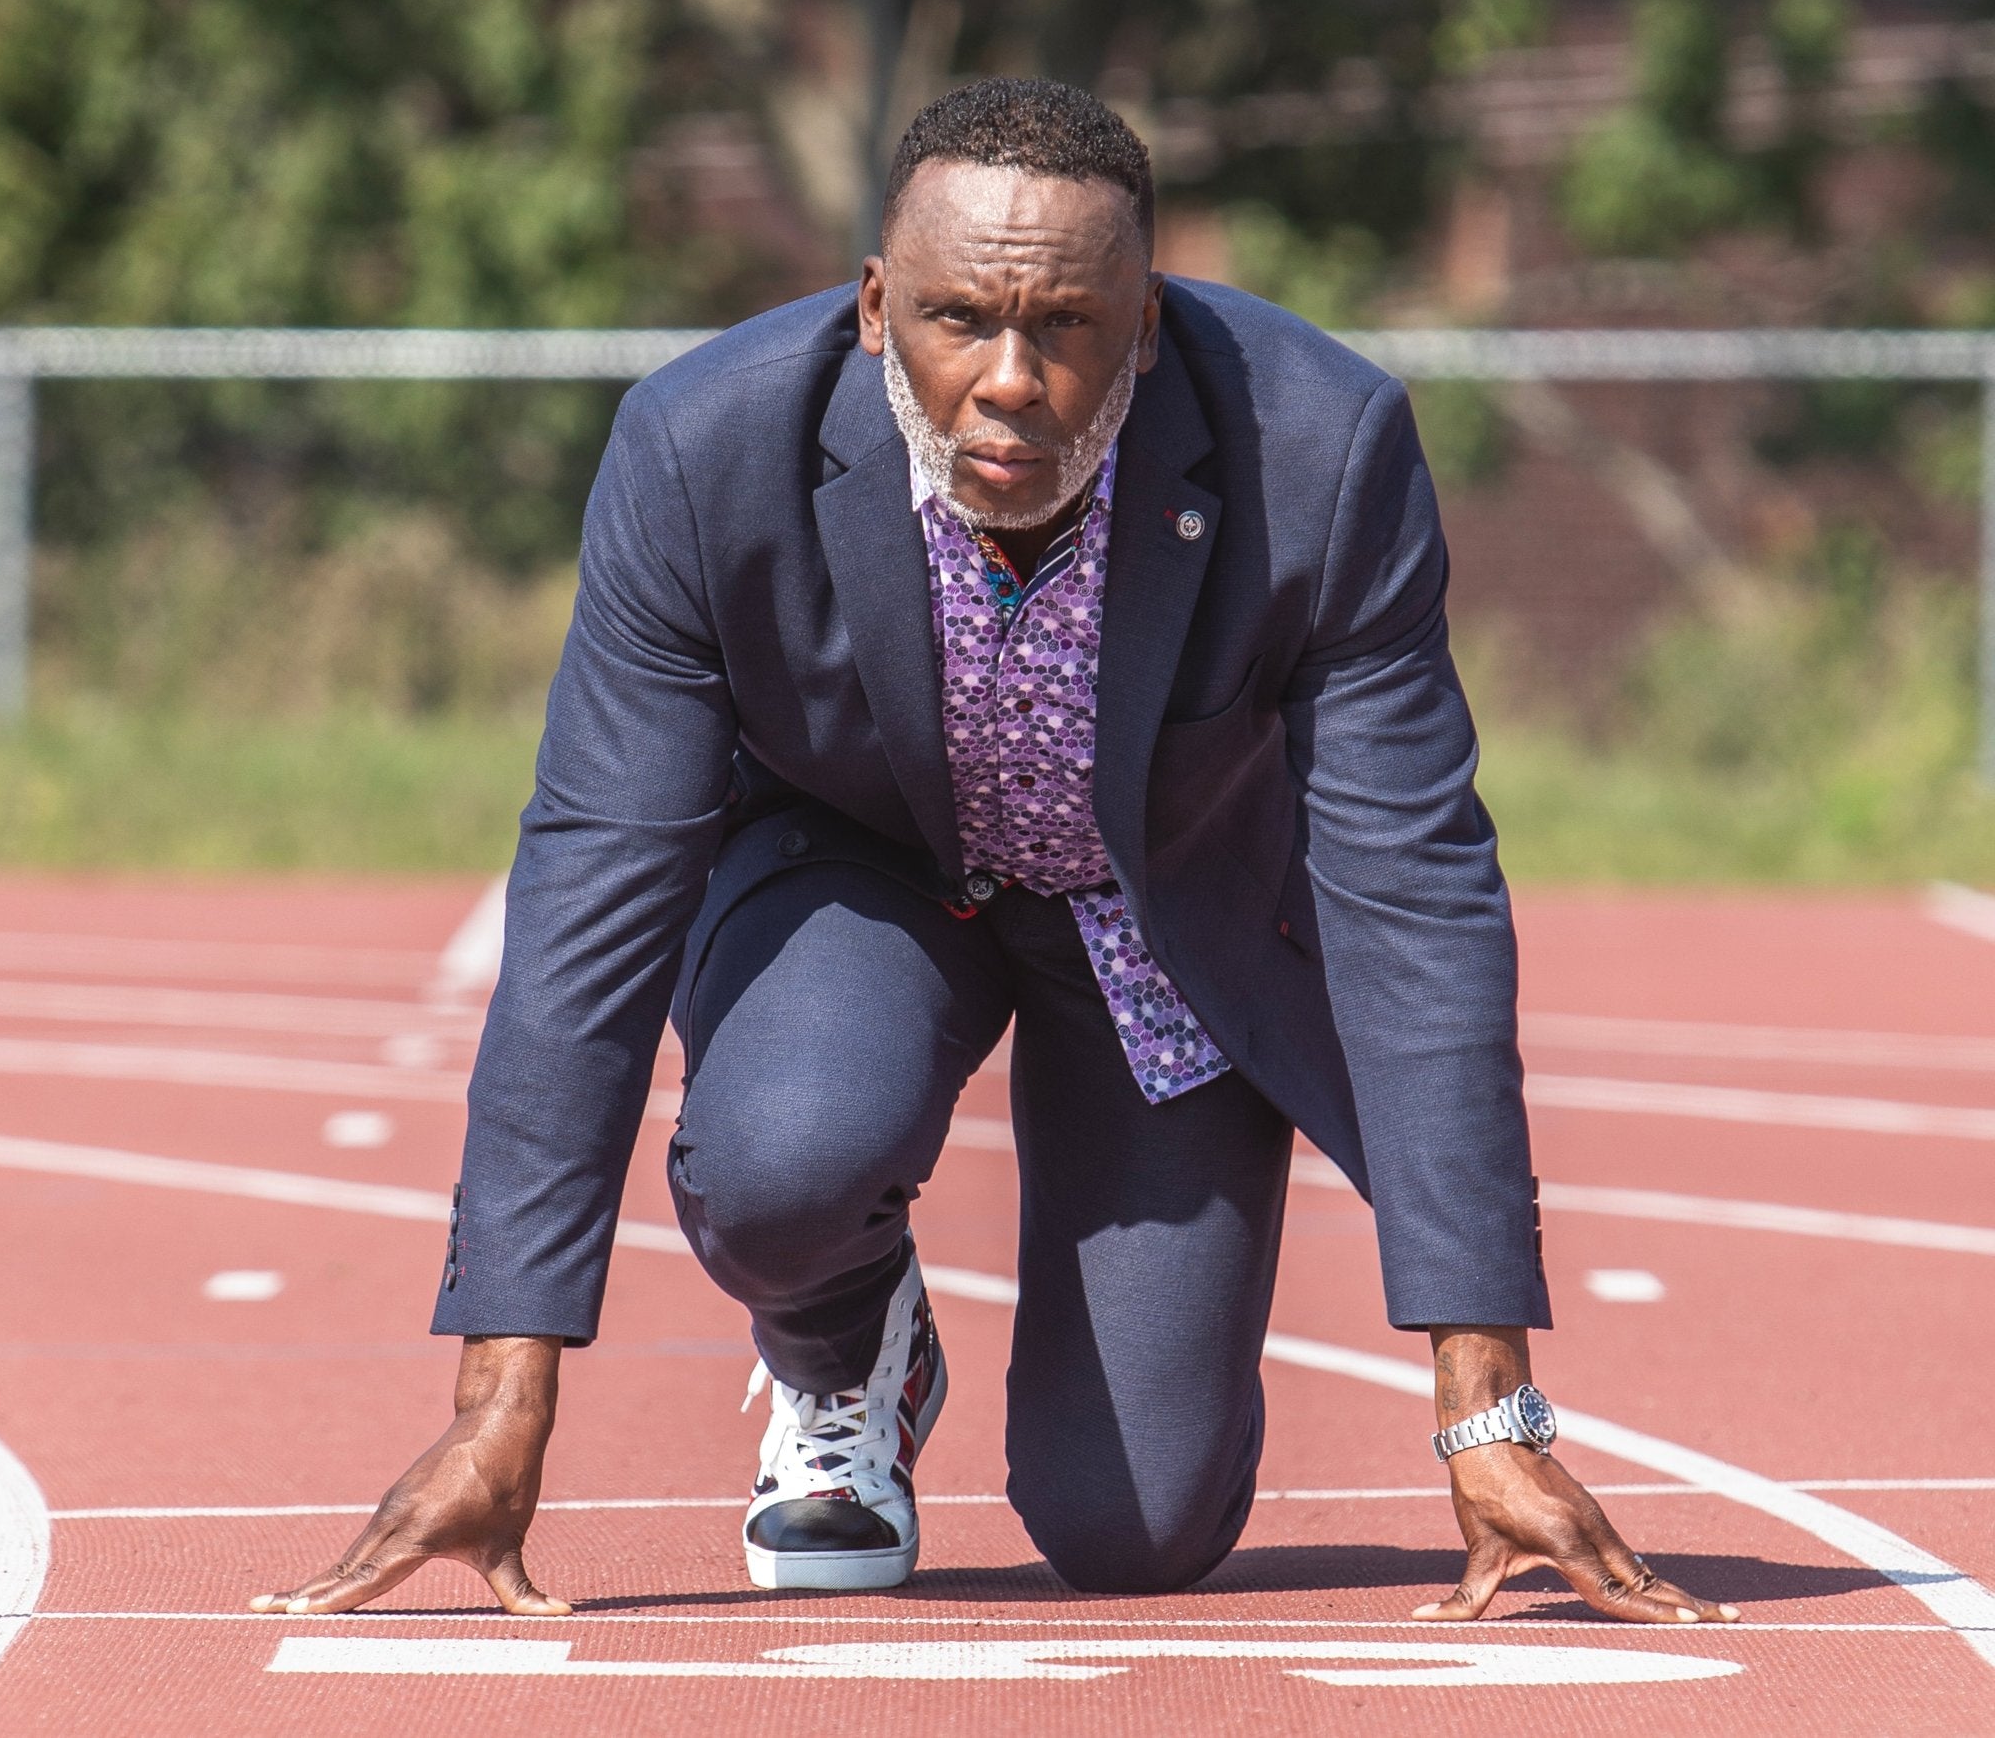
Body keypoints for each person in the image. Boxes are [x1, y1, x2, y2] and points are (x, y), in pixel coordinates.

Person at [253, 78, 1734, 1623]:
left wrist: (1486, 1410)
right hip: (862, 870)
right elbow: (593, 888)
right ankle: (844, 1348)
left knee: (1134, 1532)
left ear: (1147, 322)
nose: (1012, 381)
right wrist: (503, 1403)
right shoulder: (703, 452)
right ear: (879, 307)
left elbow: (1410, 885)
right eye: (960, 320)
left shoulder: (1321, 448)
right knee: (781, 1163)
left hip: (1168, 920)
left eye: (1071, 327)